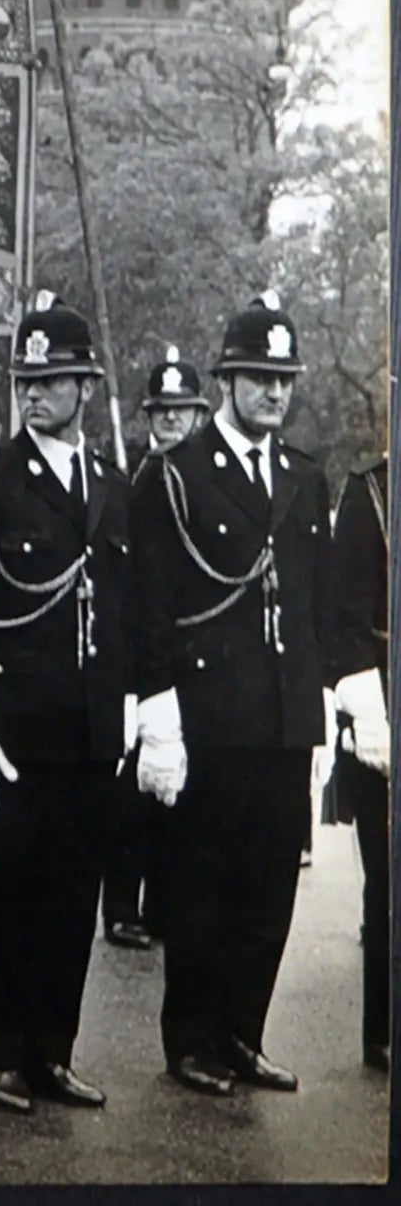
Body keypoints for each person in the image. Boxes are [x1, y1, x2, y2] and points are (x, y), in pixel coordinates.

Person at [0, 292, 131, 1116]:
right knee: (8, 896)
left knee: (71, 902)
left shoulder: (112, 488)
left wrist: (138, 715)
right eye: (24, 380)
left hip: (87, 731)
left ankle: (52, 1052)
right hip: (9, 733)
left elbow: (125, 611)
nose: (33, 393)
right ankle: (0, 1055)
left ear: (84, 386)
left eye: (51, 380)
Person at [129, 291, 333, 1098]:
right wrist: (158, 715)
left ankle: (242, 1034)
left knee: (267, 888)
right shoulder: (174, 479)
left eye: (283, 379)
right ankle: (191, 1042)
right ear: (226, 380)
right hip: (211, 717)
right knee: (200, 886)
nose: (273, 393)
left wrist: (326, 710)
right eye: (257, 378)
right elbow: (149, 608)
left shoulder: (303, 478)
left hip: (284, 718)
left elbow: (312, 604)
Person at [102, 346, 210, 951]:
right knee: (132, 797)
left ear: (199, 416)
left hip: (190, 656)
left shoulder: (203, 484)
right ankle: (120, 906)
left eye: (182, 412)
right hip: (139, 655)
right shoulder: (137, 483)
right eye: (161, 413)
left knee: (179, 792)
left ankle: (165, 903)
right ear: (147, 419)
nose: (171, 422)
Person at [325, 456, 391, 1073]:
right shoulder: (371, 491)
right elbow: (343, 619)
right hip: (386, 713)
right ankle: (386, 1032)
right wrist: (369, 713)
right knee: (391, 880)